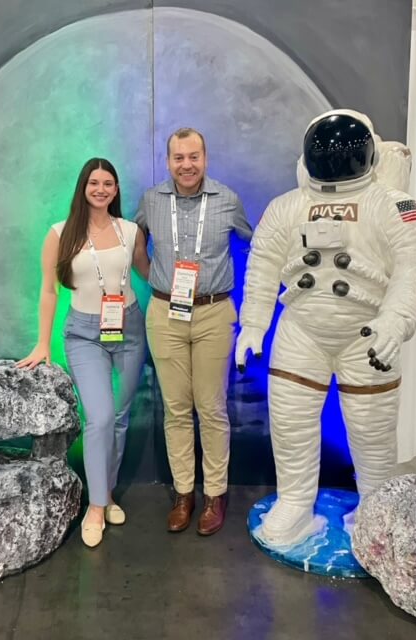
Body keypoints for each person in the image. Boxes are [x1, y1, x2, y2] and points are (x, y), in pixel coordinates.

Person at [236, 109, 416, 547]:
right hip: (302, 330)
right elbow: (263, 265)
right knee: (290, 424)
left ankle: (375, 510)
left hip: (368, 335)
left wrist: (395, 321)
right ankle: (294, 505)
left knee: (372, 433)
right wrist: (253, 323)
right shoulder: (287, 207)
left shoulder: (393, 204)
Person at [17, 158, 149, 548]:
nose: (102, 189)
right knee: (101, 417)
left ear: (116, 189)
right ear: (83, 186)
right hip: (84, 335)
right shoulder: (60, 233)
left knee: (121, 417)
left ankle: (106, 494)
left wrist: (190, 292)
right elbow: (48, 291)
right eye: (95, 182)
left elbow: (149, 273)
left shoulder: (129, 231)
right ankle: (95, 506)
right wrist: (43, 343)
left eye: (109, 183)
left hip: (129, 328)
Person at [135, 127, 252, 535]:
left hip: (214, 313)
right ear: (168, 162)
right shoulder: (152, 200)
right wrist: (156, 282)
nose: (187, 165)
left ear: (205, 157)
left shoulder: (227, 200)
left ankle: (215, 494)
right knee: (176, 408)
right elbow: (135, 243)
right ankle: (184, 493)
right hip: (165, 313)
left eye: (194, 156)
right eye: (179, 158)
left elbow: (255, 243)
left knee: (212, 408)